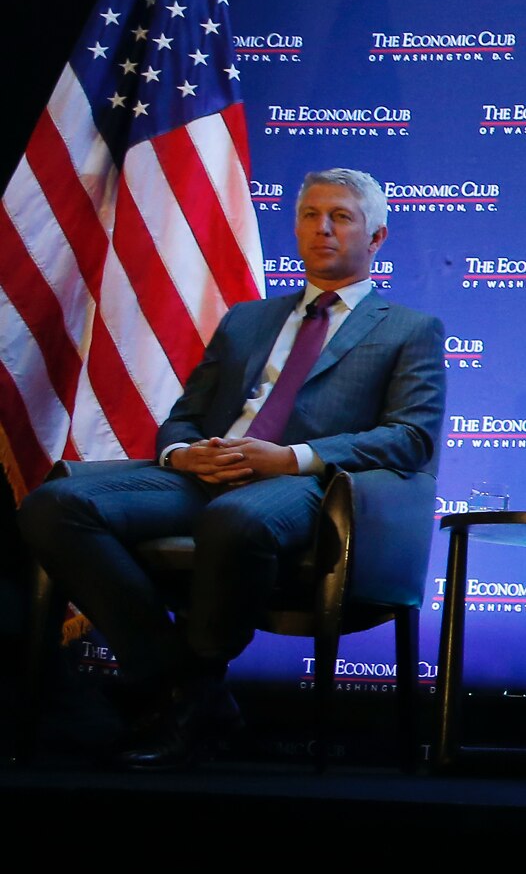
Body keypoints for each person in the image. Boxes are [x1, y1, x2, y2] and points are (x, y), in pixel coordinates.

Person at [17, 167, 445, 769]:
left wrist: (292, 457)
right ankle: (185, 686)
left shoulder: (410, 329)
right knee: (53, 506)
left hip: (310, 486)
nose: (322, 228)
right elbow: (183, 417)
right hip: (205, 473)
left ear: (375, 239)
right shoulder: (246, 319)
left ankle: (183, 698)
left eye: (341, 217)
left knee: (235, 520)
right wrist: (182, 453)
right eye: (310, 215)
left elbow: (410, 437)